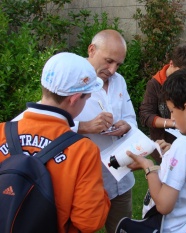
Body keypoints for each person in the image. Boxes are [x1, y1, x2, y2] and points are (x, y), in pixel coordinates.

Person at [0, 52, 111, 233]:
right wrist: (101, 194)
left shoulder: (2, 131)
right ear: (74, 98)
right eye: (87, 97)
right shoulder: (83, 150)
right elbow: (89, 221)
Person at [126, 66, 186, 232]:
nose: (171, 118)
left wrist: (148, 166)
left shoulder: (184, 147)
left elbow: (164, 205)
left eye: (172, 111)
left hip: (168, 227)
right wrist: (171, 154)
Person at [72, 29, 137, 233]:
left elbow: (130, 117)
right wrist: (85, 127)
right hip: (86, 182)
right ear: (91, 50)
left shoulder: (119, 80)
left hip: (121, 178)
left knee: (121, 228)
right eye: (109, 61)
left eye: (118, 64)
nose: (112, 69)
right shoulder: (71, 78)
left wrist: (126, 126)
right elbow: (51, 123)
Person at [139, 45, 186, 165]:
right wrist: (171, 123)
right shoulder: (155, 84)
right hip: (162, 147)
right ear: (171, 64)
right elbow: (145, 116)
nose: (182, 78)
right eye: (180, 73)